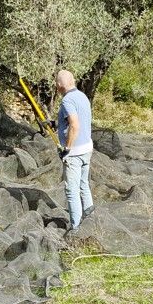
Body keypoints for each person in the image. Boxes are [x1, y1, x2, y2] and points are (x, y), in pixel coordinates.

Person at [55, 69, 94, 230]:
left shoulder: (67, 100)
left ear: (59, 85)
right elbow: (74, 120)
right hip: (87, 149)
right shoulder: (82, 96)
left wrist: (67, 149)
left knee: (72, 191)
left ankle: (76, 229)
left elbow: (75, 125)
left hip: (75, 153)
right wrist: (54, 124)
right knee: (83, 185)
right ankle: (91, 220)